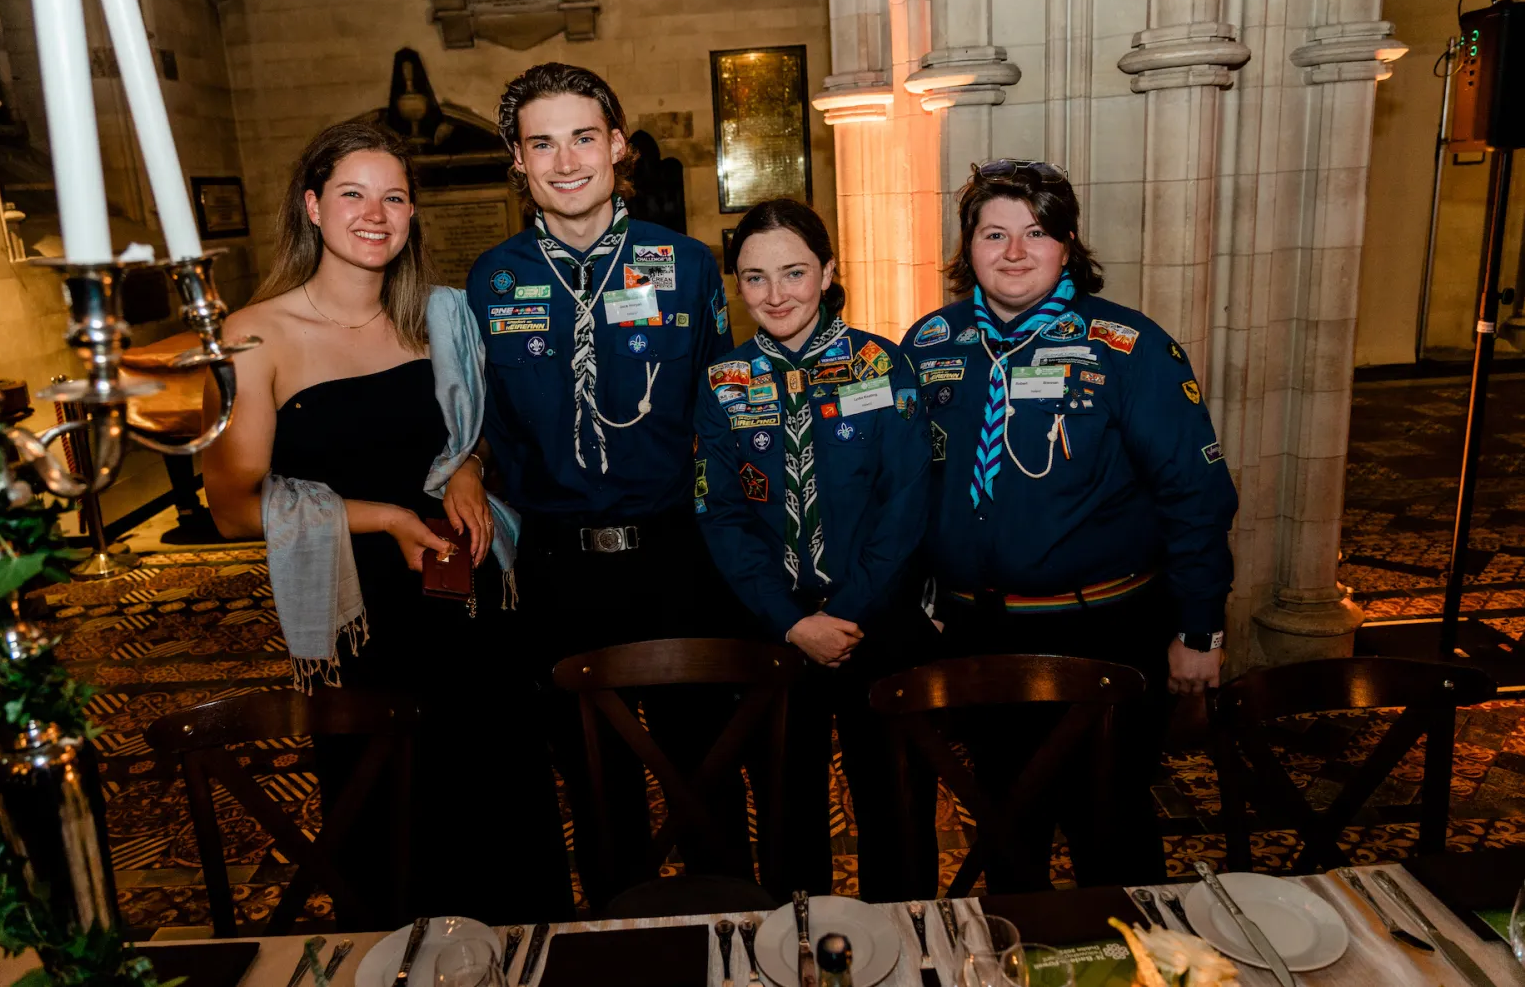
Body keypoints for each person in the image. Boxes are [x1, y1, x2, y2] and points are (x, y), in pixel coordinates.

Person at [202, 119, 572, 926]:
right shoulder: (253, 336)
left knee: (503, 821)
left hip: (472, 613)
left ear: (411, 214)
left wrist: (468, 468)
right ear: (311, 206)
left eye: (394, 198)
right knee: (398, 837)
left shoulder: (438, 317)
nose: (375, 214)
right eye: (352, 195)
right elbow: (230, 510)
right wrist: (385, 518)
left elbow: (473, 434)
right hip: (365, 628)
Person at [900, 159, 1239, 891]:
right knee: (1004, 828)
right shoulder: (929, 344)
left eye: (1036, 233)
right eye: (993, 234)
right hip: (979, 638)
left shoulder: (1127, 346)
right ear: (968, 246)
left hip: (1101, 634)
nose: (1014, 252)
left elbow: (1196, 496)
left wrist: (1199, 629)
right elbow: (902, 487)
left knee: (1110, 835)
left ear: (1067, 245)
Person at [465, 63, 750, 905]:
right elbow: (480, 422)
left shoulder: (686, 265)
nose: (565, 162)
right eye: (541, 143)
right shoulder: (491, 280)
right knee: (594, 781)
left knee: (707, 766)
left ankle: (728, 926)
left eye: (583, 138)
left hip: (677, 560)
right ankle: (616, 938)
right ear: (518, 160)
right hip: (558, 571)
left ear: (617, 145)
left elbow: (720, 415)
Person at [694, 199, 938, 900]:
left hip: (877, 625)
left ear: (828, 272)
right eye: (755, 277)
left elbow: (905, 505)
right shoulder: (723, 382)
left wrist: (847, 613)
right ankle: (795, 941)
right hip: (776, 632)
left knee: (896, 804)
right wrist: (793, 622)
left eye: (794, 273)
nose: (775, 295)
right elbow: (721, 514)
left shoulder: (881, 364)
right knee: (785, 809)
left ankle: (905, 938)